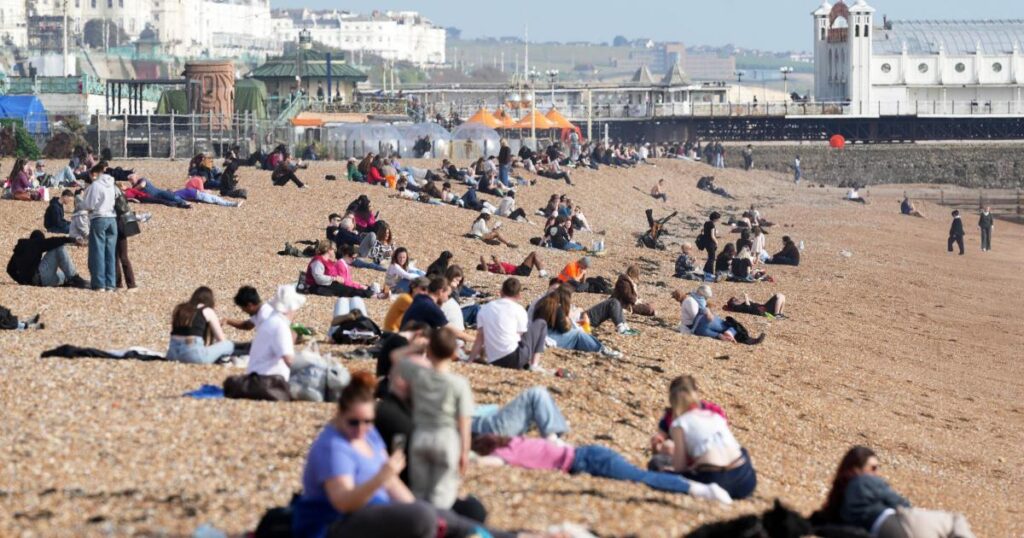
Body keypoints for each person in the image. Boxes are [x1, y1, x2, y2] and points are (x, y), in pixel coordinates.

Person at [292, 371, 526, 538]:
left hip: (375, 511)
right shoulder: (333, 447)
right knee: (422, 518)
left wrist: (418, 508)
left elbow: (392, 484)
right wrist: (381, 479)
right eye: (354, 422)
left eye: (368, 421)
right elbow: (343, 503)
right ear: (340, 413)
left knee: (441, 514)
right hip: (335, 524)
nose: (361, 428)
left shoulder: (368, 435)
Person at [472, 434, 731, 503]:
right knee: (639, 475)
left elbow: (488, 463)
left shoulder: (504, 453)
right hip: (586, 454)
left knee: (640, 478)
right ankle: (690, 483)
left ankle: (700, 489)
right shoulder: (514, 440)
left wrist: (467, 458)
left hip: (586, 461)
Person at [816, 446, 975, 538]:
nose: (876, 472)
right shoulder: (863, 481)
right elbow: (902, 503)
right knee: (955, 519)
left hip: (883, 532)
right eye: (873, 467)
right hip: (901, 523)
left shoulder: (839, 502)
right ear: (858, 466)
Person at [394, 328, 473, 509]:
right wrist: (464, 452)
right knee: (442, 497)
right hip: (446, 438)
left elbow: (396, 356)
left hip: (421, 434)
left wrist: (416, 347)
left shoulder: (418, 374)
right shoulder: (459, 384)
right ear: (454, 353)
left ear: (429, 351)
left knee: (419, 493)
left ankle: (421, 522)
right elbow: (464, 421)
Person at [667, 375, 757, 500]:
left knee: (660, 469)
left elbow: (680, 468)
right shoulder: (714, 416)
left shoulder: (679, 423)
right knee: (742, 451)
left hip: (715, 478)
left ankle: (713, 491)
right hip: (745, 479)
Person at [224, 285, 304, 401]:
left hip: (257, 374)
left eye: (243, 308)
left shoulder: (268, 317)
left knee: (233, 348)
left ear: (250, 305)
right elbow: (289, 359)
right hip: (271, 381)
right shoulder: (278, 324)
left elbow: (247, 326)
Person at [470, 278, 547, 370]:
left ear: (501, 292)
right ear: (519, 296)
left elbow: (479, 339)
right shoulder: (519, 309)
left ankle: (529, 364)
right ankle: (534, 364)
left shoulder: (485, 308)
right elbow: (520, 336)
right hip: (515, 358)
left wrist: (470, 360)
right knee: (541, 323)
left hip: (493, 359)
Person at [532, 288, 622, 358]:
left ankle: (600, 347)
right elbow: (563, 328)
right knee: (578, 334)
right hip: (549, 339)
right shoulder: (557, 309)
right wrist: (569, 320)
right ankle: (601, 349)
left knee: (578, 332)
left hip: (543, 335)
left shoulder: (541, 304)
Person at [167, 287, 235, 364]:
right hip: (192, 354)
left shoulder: (180, 308)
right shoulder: (207, 310)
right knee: (228, 345)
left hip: (172, 354)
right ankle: (229, 362)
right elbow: (221, 339)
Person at [6, 230, 88, 288]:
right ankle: (74, 278)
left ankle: (70, 280)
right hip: (41, 277)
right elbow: (54, 241)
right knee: (58, 247)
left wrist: (23, 281)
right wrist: (72, 239)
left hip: (34, 281)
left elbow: (9, 269)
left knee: (62, 275)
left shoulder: (18, 251)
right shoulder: (37, 243)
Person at [82, 163, 118, 291]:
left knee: (97, 252)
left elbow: (89, 205)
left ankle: (99, 284)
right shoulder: (112, 184)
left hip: (99, 218)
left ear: (95, 173)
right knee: (110, 253)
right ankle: (110, 283)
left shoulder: (96, 185)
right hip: (112, 219)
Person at [476, 252, 547, 278]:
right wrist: (498, 263)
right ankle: (543, 274)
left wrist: (496, 261)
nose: (487, 263)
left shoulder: (492, 266)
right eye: (485, 264)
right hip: (519, 271)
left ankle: (543, 273)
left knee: (534, 255)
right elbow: (503, 271)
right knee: (533, 254)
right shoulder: (491, 269)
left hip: (519, 269)